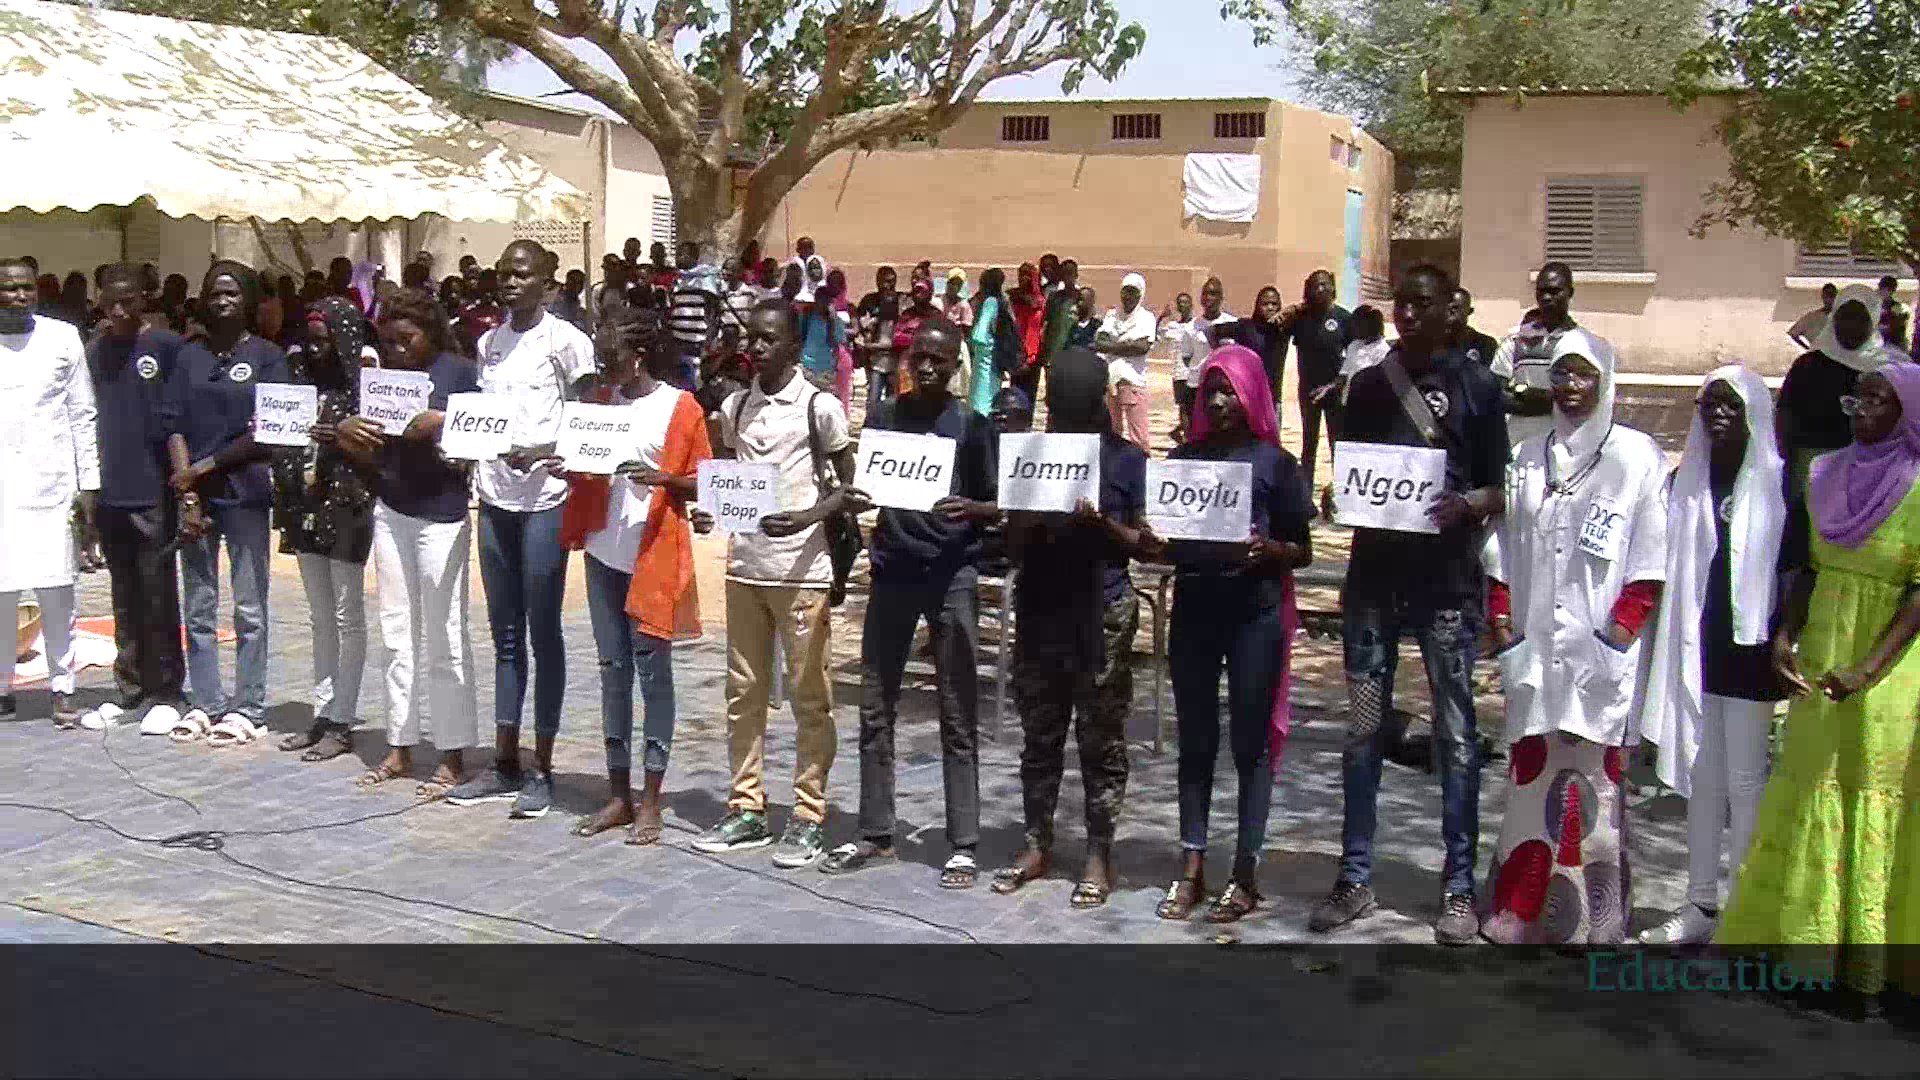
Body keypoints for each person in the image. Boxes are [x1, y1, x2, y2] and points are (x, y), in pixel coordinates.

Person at [1310, 264, 1508, 945]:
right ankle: (1354, 876)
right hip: (1371, 588)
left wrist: (1468, 505)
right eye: (1403, 303)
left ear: (1452, 309)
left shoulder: (1479, 388)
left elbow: (1500, 490)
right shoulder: (1367, 387)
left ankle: (1458, 889)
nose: (1411, 314)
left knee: (1455, 737)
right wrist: (1343, 499)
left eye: (1425, 303)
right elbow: (1354, 475)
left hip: (1447, 590)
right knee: (1364, 731)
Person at [1719, 361, 1920, 1001]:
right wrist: (1784, 634)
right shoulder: (1822, 473)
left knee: (1870, 793)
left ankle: (1867, 970)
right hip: (1822, 654)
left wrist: (1868, 670)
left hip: (1890, 665)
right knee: (1812, 790)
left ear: (1908, 412)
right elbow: (1805, 566)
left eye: (1878, 398)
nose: (1860, 408)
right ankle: (1807, 954)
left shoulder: (1919, 486)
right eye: (1856, 396)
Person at [1480, 331, 1668, 945]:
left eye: (1583, 374)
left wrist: (1616, 637)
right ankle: (1525, 909)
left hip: (1598, 646)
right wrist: (1504, 624)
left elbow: (1649, 559)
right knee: (1533, 774)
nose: (1570, 386)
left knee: (1595, 781)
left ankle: (1595, 916)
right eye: (1561, 374)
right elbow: (1503, 547)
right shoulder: (1527, 458)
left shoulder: (1635, 457)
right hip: (1535, 644)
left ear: (1605, 380)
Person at [821, 318, 999, 887]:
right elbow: (866, 491)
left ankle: (964, 842)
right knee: (875, 708)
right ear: (906, 359)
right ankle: (875, 830)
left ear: (956, 366)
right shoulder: (885, 418)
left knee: (956, 709)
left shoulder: (972, 427)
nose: (927, 367)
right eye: (919, 356)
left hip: (952, 578)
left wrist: (970, 510)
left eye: (939, 360)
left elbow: (996, 505)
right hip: (893, 573)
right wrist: (851, 500)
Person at [1146, 343, 1315, 923]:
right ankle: (1192, 864)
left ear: (1253, 397)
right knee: (1195, 742)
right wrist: (1146, 540)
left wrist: (1271, 550)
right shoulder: (1184, 461)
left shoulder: (1276, 465)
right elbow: (1164, 539)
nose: (1218, 401)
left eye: (1230, 391)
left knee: (1250, 747)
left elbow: (1304, 552)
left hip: (1255, 617)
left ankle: (1245, 871)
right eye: (1210, 390)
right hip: (1195, 611)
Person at [697, 298, 859, 868]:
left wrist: (808, 518)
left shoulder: (820, 408)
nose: (758, 348)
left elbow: (850, 491)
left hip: (802, 574)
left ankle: (809, 814)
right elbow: (729, 482)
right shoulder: (736, 406)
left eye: (769, 339)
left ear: (794, 346)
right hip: (745, 568)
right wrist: (709, 511)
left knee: (809, 697)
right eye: (753, 338)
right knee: (744, 694)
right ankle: (747, 808)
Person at [990, 345, 1149, 908]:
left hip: (1101, 612)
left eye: (1069, 396)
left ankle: (1098, 852)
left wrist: (1099, 522)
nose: (1059, 406)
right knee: (1040, 734)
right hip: (1040, 609)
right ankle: (1037, 842)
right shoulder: (1031, 456)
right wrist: (1025, 520)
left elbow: (1146, 542)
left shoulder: (1128, 460)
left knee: (1101, 737)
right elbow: (1009, 547)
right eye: (1055, 396)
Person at [445, 241, 598, 818]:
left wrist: (544, 451)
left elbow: (588, 422)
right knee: (504, 634)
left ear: (548, 284)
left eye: (522, 274)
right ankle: (504, 761)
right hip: (495, 500)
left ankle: (543, 766)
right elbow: (482, 419)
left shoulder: (568, 342)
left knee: (543, 631)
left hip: (545, 502)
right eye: (503, 274)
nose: (509, 283)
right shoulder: (489, 342)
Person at [1638, 366, 1787, 945]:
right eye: (1709, 405)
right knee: (1701, 778)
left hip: (1750, 651)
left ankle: (1744, 914)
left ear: (1753, 415)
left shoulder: (1777, 482)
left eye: (1730, 406)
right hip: (1696, 648)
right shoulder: (1688, 481)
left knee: (1746, 780)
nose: (1718, 414)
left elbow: (1793, 570)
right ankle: (1699, 905)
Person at [565, 307, 715, 842]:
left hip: (653, 558)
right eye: (600, 361)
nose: (605, 371)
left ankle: (651, 798)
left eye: (612, 360)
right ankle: (617, 794)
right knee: (611, 674)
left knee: (654, 679)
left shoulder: (682, 408)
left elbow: (708, 483)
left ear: (639, 355)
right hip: (603, 554)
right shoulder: (600, 404)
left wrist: (664, 479)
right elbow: (577, 457)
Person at [335, 290, 481, 797]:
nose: (397, 350)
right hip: (392, 509)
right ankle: (399, 744)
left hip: (441, 516)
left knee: (445, 636)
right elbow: (364, 442)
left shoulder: (459, 371)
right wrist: (347, 430)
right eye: (389, 341)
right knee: (395, 634)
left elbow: (486, 426)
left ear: (431, 334)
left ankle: (453, 752)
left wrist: (439, 421)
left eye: (407, 340)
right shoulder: (381, 378)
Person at [166, 261, 286, 746]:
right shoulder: (187, 357)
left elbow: (270, 429)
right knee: (197, 605)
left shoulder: (268, 356)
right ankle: (206, 702)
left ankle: (248, 706)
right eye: (215, 292)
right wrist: (187, 487)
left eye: (233, 293)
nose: (223, 301)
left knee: (250, 608)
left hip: (246, 494)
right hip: (194, 496)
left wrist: (205, 466)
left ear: (251, 300)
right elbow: (171, 422)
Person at [76, 265, 188, 732]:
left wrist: (183, 487)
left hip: (152, 491)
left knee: (157, 591)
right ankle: (129, 688)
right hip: (111, 491)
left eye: (128, 301)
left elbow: (178, 419)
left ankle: (166, 691)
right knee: (123, 593)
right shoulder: (96, 350)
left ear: (144, 299)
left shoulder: (165, 345)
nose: (118, 311)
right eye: (110, 303)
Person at [270, 297, 379, 763]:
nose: (316, 350)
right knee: (319, 617)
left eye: (325, 341)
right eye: (310, 341)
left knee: (346, 616)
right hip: (304, 506)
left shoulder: (366, 387)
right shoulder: (300, 381)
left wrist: (339, 435)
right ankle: (322, 712)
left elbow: (379, 449)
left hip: (347, 506)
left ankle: (343, 719)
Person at [0, 257, 97, 728]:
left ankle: (63, 687)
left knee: (58, 591)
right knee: (1, 593)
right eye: (9, 288)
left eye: (26, 288)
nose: (19, 296)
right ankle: (3, 688)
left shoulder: (62, 338)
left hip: (53, 487)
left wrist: (89, 484)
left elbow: (83, 414)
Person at [1777, 284, 1893, 574]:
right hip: (1810, 464)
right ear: (1833, 318)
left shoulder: (1885, 369)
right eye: (1845, 316)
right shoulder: (1808, 365)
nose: (1851, 325)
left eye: (1860, 318)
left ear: (1873, 321)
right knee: (1804, 537)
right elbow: (1785, 413)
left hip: (1865, 467)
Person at [1492, 262, 1585, 448]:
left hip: (1564, 448)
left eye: (1554, 291)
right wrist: (1552, 401)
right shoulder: (1515, 341)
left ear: (1570, 293)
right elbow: (1494, 394)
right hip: (1518, 447)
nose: (1546, 297)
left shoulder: (1583, 345)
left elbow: (1581, 401)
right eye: (1541, 291)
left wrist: (1531, 397)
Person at [1280, 271, 1350, 486]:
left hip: (1335, 391)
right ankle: (1306, 497)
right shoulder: (1300, 319)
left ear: (1333, 288)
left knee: (1336, 444)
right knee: (1309, 444)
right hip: (1308, 391)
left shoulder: (1344, 318)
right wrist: (1290, 310)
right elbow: (1275, 329)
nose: (1320, 289)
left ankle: (1340, 493)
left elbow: (1356, 354)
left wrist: (1338, 383)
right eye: (1315, 286)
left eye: (1324, 284)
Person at [1097, 272, 1157, 451]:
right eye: (1125, 291)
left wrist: (1113, 346)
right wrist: (1127, 345)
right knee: (1111, 433)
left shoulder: (1146, 318)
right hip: (1110, 382)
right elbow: (1100, 341)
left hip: (1133, 382)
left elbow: (1141, 347)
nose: (1128, 296)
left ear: (1140, 294)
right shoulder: (1111, 316)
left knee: (1138, 436)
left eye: (1133, 292)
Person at [667, 240, 722, 389]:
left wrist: (709, 342)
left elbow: (713, 314)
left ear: (694, 257)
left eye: (682, 254)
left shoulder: (705, 280)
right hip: (678, 342)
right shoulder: (677, 280)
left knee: (696, 384)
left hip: (698, 343)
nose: (678, 258)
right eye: (677, 254)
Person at [967, 267, 1020, 416]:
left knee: (980, 403)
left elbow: (979, 336)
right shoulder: (1003, 301)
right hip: (996, 360)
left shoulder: (990, 303)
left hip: (985, 360)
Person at [855, 266, 903, 416]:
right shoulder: (869, 301)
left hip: (894, 361)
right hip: (875, 361)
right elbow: (860, 324)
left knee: (892, 401)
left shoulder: (900, 302)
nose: (887, 285)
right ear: (877, 281)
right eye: (884, 281)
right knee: (873, 400)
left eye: (891, 282)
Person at [1159, 291, 1205, 442]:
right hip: (1179, 373)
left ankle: (1187, 435)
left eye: (1185, 302)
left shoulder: (1197, 325)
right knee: (1183, 408)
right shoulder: (1171, 326)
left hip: (1195, 372)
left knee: (1195, 407)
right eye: (1179, 302)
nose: (1182, 305)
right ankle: (1187, 439)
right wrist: (1161, 317)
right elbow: (1155, 336)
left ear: (1191, 305)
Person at [797, 271, 846, 400]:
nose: (821, 303)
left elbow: (837, 342)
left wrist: (832, 319)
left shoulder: (835, 320)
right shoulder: (807, 316)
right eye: (819, 299)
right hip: (806, 366)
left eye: (825, 300)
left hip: (825, 369)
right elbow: (799, 338)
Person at [1007, 263, 1048, 401]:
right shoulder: (1013, 297)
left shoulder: (1041, 301)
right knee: (1015, 395)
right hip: (1016, 353)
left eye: (1028, 275)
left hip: (1034, 356)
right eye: (1022, 274)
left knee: (1030, 396)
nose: (1024, 278)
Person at [1037, 258, 1081, 372]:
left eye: (1070, 273)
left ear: (1076, 274)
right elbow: (1046, 325)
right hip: (1054, 353)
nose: (1068, 277)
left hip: (1073, 353)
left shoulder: (1081, 298)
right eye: (1065, 274)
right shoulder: (1054, 298)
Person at [1447, 287, 1499, 369]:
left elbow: (1488, 377)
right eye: (1446, 308)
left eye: (1456, 308)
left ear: (1470, 311)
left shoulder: (1485, 344)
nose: (1450, 311)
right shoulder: (1432, 341)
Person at [1787, 282, 1837, 351]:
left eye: (1832, 295)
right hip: (1818, 356)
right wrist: (1808, 349)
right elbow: (1794, 334)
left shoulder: (1842, 316)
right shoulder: (1811, 317)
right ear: (1823, 297)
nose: (1830, 299)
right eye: (1827, 295)